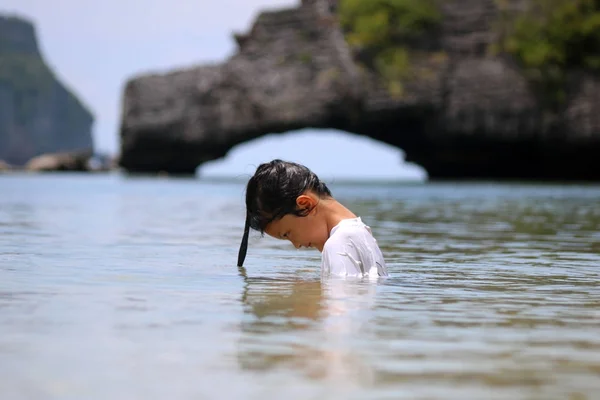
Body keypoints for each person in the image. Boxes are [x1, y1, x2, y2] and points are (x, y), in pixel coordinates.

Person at [237, 159, 388, 277]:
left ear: (305, 205)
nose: (296, 245)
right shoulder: (361, 232)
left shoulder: (337, 244)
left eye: (287, 234)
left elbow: (340, 311)